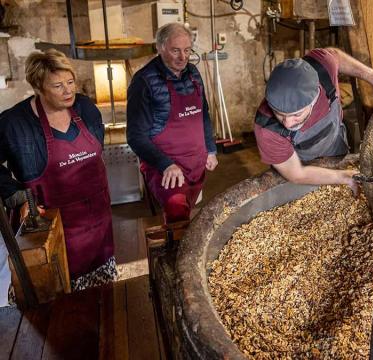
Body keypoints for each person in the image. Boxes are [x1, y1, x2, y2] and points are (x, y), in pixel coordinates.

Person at [0, 49, 116, 291]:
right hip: (51, 229)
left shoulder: (85, 108)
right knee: (58, 306)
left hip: (97, 223)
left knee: (102, 299)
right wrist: (17, 196)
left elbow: (97, 150)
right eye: (57, 86)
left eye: (70, 82)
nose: (68, 91)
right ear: (38, 87)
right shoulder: (15, 123)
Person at [254, 48, 373, 193]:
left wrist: (370, 75)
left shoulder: (323, 66)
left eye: (296, 115)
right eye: (279, 113)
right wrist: (341, 177)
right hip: (302, 165)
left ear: (314, 99)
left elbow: (336, 56)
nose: (287, 123)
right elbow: (297, 174)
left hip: (336, 146)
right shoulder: (267, 128)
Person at [127, 23, 218, 224]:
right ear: (160, 48)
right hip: (168, 168)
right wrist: (165, 164)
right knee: (176, 212)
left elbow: (203, 114)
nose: (183, 57)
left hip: (196, 164)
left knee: (189, 215)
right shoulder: (144, 81)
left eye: (187, 50)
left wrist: (210, 149)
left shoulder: (193, 73)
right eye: (175, 50)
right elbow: (135, 136)